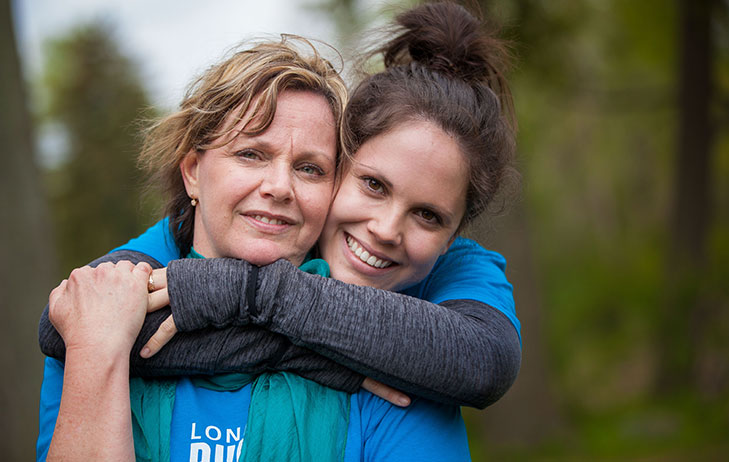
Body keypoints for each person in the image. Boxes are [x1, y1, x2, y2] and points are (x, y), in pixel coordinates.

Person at [37, 3, 520, 460]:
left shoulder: (418, 349)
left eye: (310, 168)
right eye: (251, 154)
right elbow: (64, 326)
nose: (386, 229)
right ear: (192, 172)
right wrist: (322, 355)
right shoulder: (141, 268)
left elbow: (484, 360)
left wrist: (250, 292)